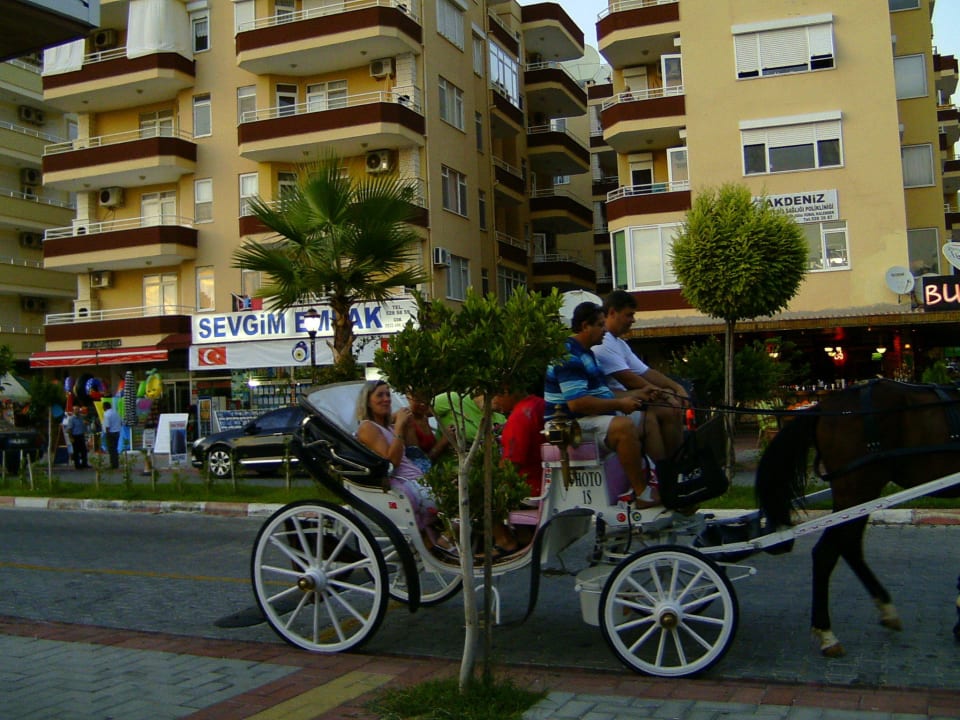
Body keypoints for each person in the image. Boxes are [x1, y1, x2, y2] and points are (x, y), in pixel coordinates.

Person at [545, 301, 661, 507]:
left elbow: (603, 393)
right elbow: (577, 404)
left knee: (647, 419)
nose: (605, 330)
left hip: (588, 418)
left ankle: (660, 480)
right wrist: (621, 404)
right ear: (584, 326)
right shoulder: (569, 356)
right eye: (600, 325)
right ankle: (642, 493)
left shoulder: (587, 352)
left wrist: (637, 393)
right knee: (623, 427)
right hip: (569, 425)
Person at [355, 380, 453, 556]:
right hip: (404, 484)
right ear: (368, 401)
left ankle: (441, 540)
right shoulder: (367, 427)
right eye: (380, 395)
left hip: (418, 476)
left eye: (388, 395)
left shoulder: (389, 427)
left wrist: (405, 426)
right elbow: (392, 460)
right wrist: (399, 426)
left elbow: (414, 454)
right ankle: (443, 540)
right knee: (460, 501)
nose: (386, 399)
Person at [593, 290, 689, 460]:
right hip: (613, 401)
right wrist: (666, 396)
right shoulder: (603, 342)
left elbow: (646, 372)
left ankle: (674, 464)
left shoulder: (619, 342)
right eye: (629, 315)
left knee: (671, 406)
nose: (633, 320)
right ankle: (667, 469)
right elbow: (628, 378)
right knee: (664, 411)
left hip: (629, 398)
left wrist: (676, 387)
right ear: (612, 313)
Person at [493, 387, 546, 497]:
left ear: (506, 391)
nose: (495, 402)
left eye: (496, 396)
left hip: (528, 492)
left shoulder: (519, 417)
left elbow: (511, 463)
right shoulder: (540, 404)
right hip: (546, 484)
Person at [102, 400, 122, 469]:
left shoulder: (106, 414)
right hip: (117, 432)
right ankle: (116, 463)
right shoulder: (116, 413)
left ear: (104, 407)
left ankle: (113, 464)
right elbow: (120, 421)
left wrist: (107, 434)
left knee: (111, 449)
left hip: (110, 433)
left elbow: (107, 426)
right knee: (115, 449)